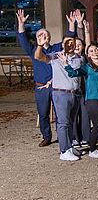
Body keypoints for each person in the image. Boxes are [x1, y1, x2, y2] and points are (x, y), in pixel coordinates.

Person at [16, 9, 77, 147]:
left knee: (59, 113)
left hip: (56, 87)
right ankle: (46, 136)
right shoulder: (33, 50)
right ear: (37, 38)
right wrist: (21, 24)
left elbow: (68, 40)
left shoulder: (56, 48)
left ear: (49, 37)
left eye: (45, 34)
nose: (43, 36)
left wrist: (72, 25)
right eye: (40, 35)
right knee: (43, 113)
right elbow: (22, 38)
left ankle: (63, 136)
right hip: (41, 87)